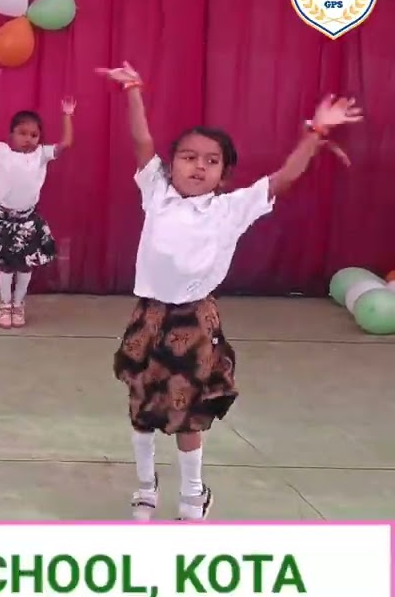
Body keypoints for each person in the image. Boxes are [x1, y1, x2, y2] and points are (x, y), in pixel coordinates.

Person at [98, 61, 360, 521]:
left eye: (211, 160)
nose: (199, 166)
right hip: (149, 317)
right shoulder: (156, 193)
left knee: (189, 413)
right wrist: (135, 90)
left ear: (224, 174)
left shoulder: (231, 210)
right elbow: (142, 142)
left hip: (194, 321)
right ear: (171, 163)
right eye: (188, 156)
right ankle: (145, 486)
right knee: (141, 408)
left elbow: (284, 178)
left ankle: (193, 494)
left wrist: (316, 133)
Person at [0, 98, 75, 328]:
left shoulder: (41, 155)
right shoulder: (0, 151)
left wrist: (67, 115)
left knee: (26, 264)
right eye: (22, 133)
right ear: (10, 135)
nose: (28, 139)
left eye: (34, 135)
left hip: (28, 220)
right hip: (3, 219)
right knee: (6, 264)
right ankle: (5, 305)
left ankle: (19, 304)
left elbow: (66, 143)